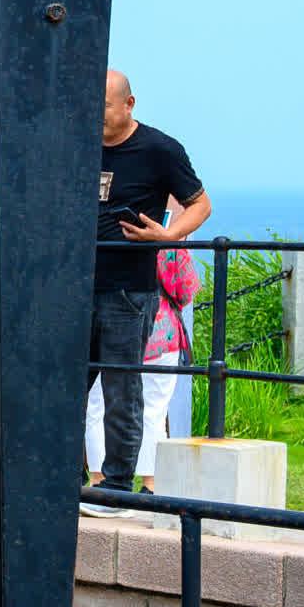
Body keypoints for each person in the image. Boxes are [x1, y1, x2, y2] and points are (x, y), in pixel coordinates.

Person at [86, 69, 211, 511]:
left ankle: (118, 487)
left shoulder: (159, 148)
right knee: (64, 387)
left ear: (128, 104)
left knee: (123, 389)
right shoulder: (76, 145)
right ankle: (62, 479)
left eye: (101, 104)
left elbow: (200, 203)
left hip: (127, 291)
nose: (94, 114)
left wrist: (169, 235)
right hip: (73, 288)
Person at [86, 239, 199, 491]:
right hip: (161, 336)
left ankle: (98, 477)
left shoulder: (104, 237)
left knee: (97, 406)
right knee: (154, 411)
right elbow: (186, 289)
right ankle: (150, 482)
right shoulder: (167, 242)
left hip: (106, 331)